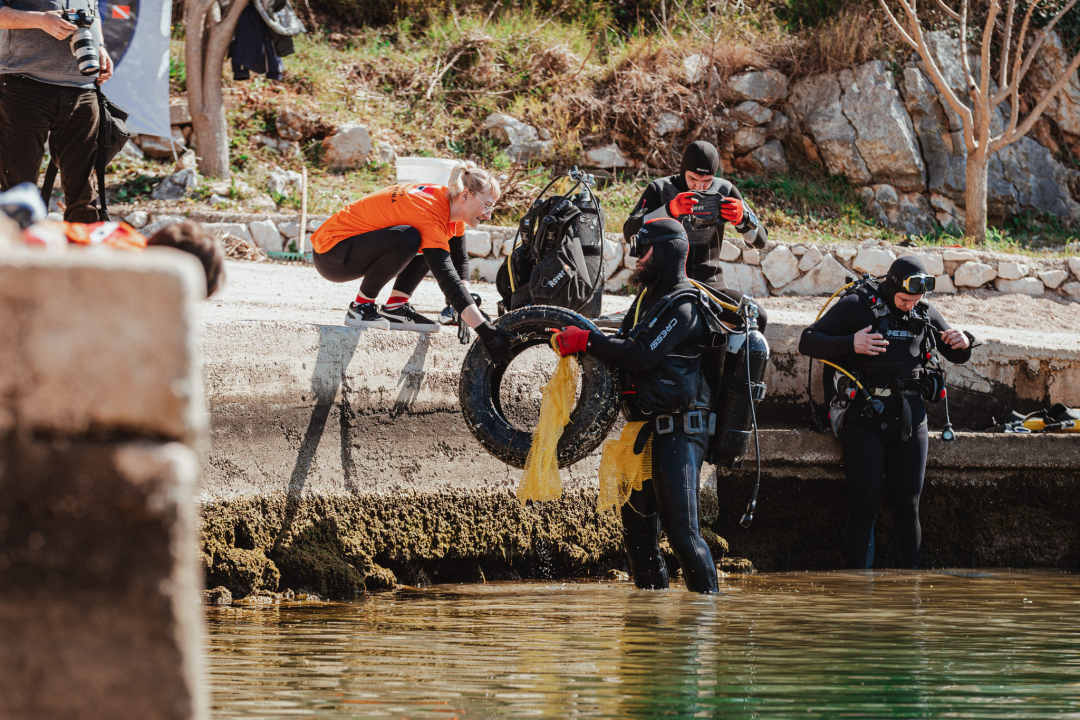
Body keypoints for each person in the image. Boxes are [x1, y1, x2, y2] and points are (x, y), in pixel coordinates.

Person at [553, 218, 720, 594]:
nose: (636, 259)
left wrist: (587, 342)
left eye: (642, 251)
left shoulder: (683, 304)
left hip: (680, 432)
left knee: (682, 532)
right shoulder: (648, 300)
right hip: (645, 432)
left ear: (664, 251)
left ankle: (707, 616)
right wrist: (587, 339)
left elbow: (641, 354)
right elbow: (627, 345)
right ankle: (650, 621)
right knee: (639, 537)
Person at [798, 256, 974, 569]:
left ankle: (910, 590)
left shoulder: (922, 309)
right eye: (905, 299)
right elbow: (808, 341)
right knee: (864, 502)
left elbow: (955, 352)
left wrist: (964, 342)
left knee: (908, 503)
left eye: (916, 300)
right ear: (892, 286)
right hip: (865, 418)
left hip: (910, 419)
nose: (910, 306)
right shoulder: (857, 304)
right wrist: (851, 343)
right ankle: (858, 588)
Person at [309, 161, 514, 358]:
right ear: (466, 196)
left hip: (348, 248)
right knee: (410, 237)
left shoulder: (450, 207)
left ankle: (395, 307)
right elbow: (448, 281)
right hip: (331, 252)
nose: (488, 215)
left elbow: (460, 264)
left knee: (429, 241)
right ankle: (361, 307)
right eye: (486, 206)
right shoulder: (430, 213)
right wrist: (485, 330)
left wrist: (462, 308)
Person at [623, 140, 769, 331]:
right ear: (683, 170)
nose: (699, 187)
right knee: (632, 331)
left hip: (709, 285)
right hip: (663, 285)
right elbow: (629, 231)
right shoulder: (659, 189)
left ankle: (728, 361)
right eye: (692, 179)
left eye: (707, 181)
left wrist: (742, 219)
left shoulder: (725, 190)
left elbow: (761, 241)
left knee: (758, 318)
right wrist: (670, 209)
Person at [0, 0, 114, 222]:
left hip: (83, 87)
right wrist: (40, 20)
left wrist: (100, 47)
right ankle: (15, 255)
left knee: (85, 195)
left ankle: (83, 252)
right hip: (23, 85)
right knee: (18, 190)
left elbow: (92, 14)